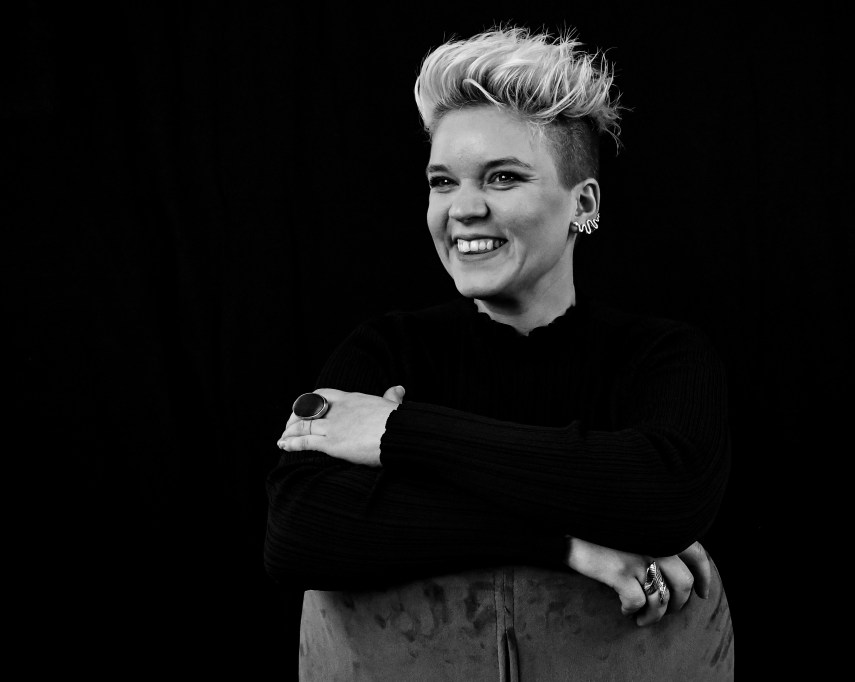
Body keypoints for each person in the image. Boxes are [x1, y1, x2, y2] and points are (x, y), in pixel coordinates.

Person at [266, 27, 734, 681]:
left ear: (583, 203)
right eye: (442, 182)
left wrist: (398, 434)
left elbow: (665, 495)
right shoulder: (385, 348)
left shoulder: (661, 356)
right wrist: (568, 544)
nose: (463, 209)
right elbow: (300, 531)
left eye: (503, 177)